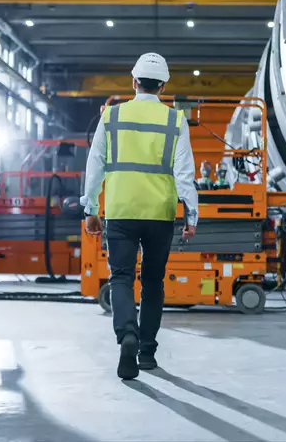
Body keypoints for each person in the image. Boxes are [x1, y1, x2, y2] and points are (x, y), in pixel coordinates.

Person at [80, 52, 199, 380]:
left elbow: (95, 165)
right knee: (152, 283)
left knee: (120, 277)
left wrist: (90, 208)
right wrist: (192, 216)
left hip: (120, 210)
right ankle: (146, 350)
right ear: (163, 86)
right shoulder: (176, 120)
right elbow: (184, 172)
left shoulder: (111, 116)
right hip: (159, 213)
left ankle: (126, 334)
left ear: (134, 82)